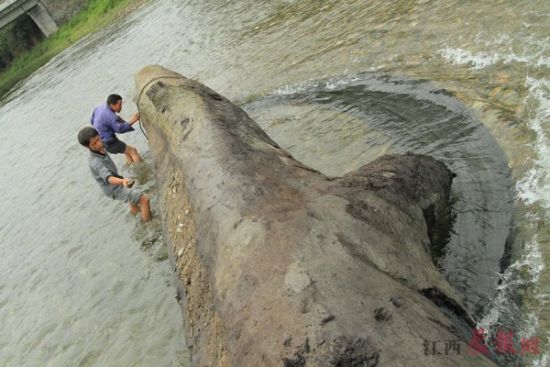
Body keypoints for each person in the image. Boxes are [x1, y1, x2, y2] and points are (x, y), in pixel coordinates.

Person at [78, 126, 151, 222]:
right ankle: (148, 223)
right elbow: (109, 178)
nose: (99, 144)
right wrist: (123, 181)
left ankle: (135, 216)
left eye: (98, 139)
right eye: (94, 144)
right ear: (87, 147)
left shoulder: (100, 146)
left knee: (132, 200)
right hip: (113, 188)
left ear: (99, 135)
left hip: (115, 182)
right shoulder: (95, 162)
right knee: (144, 200)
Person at [91, 94, 142, 164]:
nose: (121, 107)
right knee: (133, 151)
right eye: (119, 105)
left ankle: (132, 167)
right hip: (110, 143)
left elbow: (92, 120)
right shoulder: (111, 117)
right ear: (112, 105)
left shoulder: (100, 108)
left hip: (103, 141)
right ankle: (141, 169)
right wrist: (133, 120)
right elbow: (120, 129)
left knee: (126, 152)